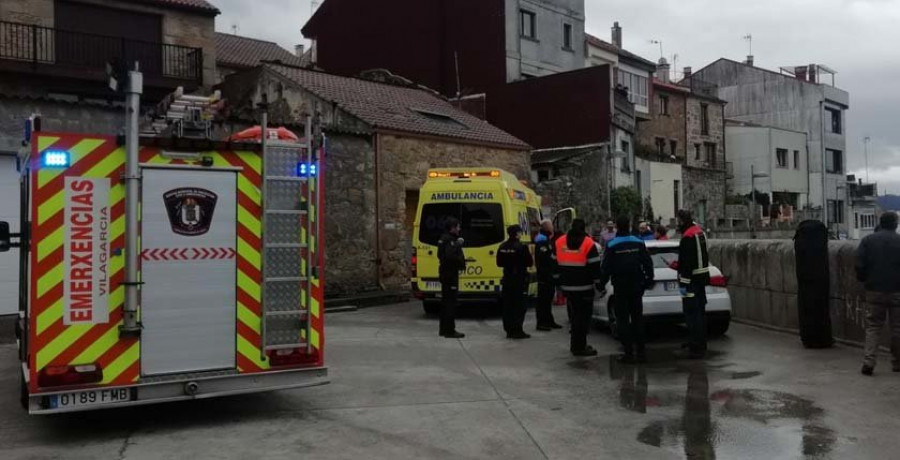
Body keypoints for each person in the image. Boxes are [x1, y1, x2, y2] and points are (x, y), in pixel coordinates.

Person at [600, 215, 655, 363]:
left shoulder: (612, 244)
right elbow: (647, 263)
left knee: (623, 320)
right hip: (636, 286)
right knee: (638, 319)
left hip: (620, 287)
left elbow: (606, 268)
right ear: (629, 226)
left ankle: (628, 353)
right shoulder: (638, 242)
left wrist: (601, 284)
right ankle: (641, 353)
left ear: (617, 226)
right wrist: (648, 281)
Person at [855, 211, 900, 376]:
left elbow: (859, 264)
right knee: (897, 328)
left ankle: (869, 362)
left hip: (874, 289)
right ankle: (897, 363)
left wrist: (865, 280)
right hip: (897, 290)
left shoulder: (868, 240)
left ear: (880, 223)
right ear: (895, 224)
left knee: (873, 326)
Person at [553, 219, 604, 356]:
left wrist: (557, 282)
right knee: (583, 318)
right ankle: (580, 346)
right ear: (584, 228)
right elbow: (595, 267)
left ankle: (575, 345)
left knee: (574, 316)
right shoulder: (588, 243)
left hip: (567, 288)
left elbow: (553, 263)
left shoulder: (559, 242)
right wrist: (599, 284)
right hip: (584, 288)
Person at [677, 210, 711, 358]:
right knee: (700, 311)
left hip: (689, 283)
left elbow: (686, 264)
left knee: (690, 312)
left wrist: (682, 285)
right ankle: (701, 342)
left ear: (682, 221)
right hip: (702, 279)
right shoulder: (700, 233)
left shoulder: (686, 237)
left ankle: (695, 344)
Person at [497, 224, 533, 339]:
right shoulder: (521, 247)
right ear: (517, 233)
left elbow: (499, 263)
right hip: (519, 279)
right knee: (519, 305)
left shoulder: (502, 246)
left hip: (507, 278)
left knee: (508, 305)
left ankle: (508, 330)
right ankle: (517, 330)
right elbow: (529, 262)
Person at [437, 218, 466, 339]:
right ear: (452, 228)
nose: (459, 229)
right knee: (450, 303)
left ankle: (443, 329)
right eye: (458, 227)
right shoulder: (450, 241)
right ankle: (450, 330)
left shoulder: (443, 238)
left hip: (445, 274)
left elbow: (440, 255)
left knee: (445, 302)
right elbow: (450, 256)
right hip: (450, 274)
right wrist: (459, 259)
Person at [534, 220, 563, 331]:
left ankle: (549, 320)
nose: (553, 227)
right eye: (551, 225)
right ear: (546, 227)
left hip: (548, 275)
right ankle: (541, 323)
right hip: (544, 275)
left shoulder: (546, 238)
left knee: (548, 299)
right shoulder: (542, 240)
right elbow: (544, 258)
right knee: (543, 300)